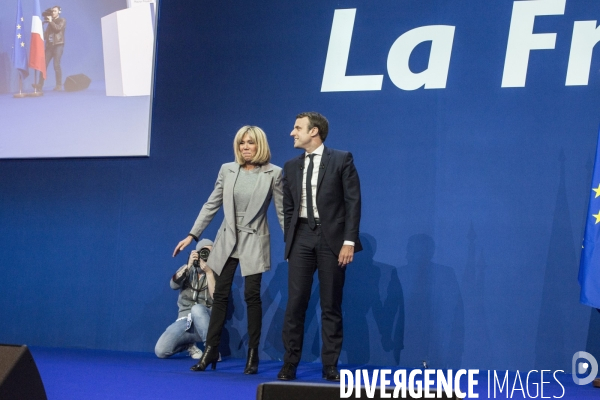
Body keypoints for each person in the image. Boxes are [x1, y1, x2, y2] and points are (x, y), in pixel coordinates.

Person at [173, 126, 284, 374]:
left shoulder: (274, 173)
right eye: (242, 143)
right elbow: (211, 203)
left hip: (254, 239)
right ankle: (211, 350)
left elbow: (281, 212)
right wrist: (193, 235)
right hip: (228, 237)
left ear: (260, 146)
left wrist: (292, 243)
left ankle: (252, 355)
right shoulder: (227, 169)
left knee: (252, 296)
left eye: (251, 143)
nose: (245, 147)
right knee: (220, 296)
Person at [278, 112, 362, 382]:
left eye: (297, 128)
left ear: (314, 132)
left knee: (330, 305)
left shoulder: (341, 159)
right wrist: (290, 243)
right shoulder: (290, 166)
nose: (293, 132)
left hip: (332, 241)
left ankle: (330, 366)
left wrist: (348, 241)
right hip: (301, 238)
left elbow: (353, 202)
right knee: (295, 304)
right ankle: (290, 363)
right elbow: (288, 209)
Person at [155, 239, 215, 359]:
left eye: (210, 252)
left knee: (197, 309)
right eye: (203, 251)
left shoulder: (216, 273)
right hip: (185, 322)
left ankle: (211, 350)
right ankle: (188, 345)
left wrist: (209, 273)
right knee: (161, 350)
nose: (206, 255)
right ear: (196, 253)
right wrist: (188, 266)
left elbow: (217, 298)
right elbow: (173, 285)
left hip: (206, 321)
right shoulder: (186, 269)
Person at [34, 5, 66, 91]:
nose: (53, 13)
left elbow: (57, 29)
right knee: (43, 65)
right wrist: (39, 28)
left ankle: (58, 85)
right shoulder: (49, 24)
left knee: (56, 65)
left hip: (58, 45)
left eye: (55, 11)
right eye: (52, 11)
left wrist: (51, 21)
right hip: (49, 46)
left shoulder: (62, 20)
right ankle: (40, 85)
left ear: (59, 12)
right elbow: (45, 36)